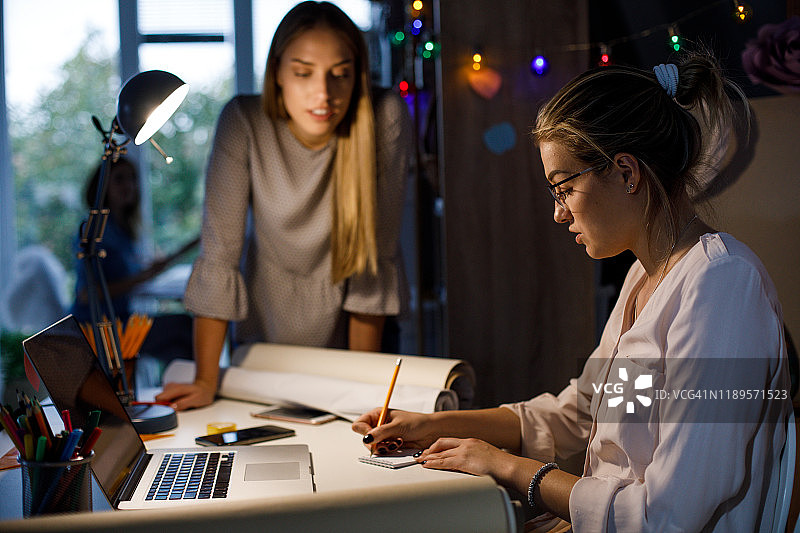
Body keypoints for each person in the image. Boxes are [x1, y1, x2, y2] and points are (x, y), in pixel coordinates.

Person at [353, 51, 791, 531]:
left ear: (626, 172)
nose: (559, 213)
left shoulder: (721, 285)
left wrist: (506, 466)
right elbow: (578, 414)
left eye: (563, 188)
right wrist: (430, 424)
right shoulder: (646, 279)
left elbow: (668, 516)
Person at [156, 1, 411, 411]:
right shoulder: (242, 120)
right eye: (303, 72)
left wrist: (361, 394)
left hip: (354, 342)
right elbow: (219, 256)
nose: (324, 94)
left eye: (340, 75)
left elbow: (372, 262)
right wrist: (205, 380)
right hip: (263, 347)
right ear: (277, 72)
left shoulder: (384, 117)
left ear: (358, 76)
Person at [70, 156, 198, 359]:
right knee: (185, 327)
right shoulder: (95, 230)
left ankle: (182, 388)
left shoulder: (121, 230)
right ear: (102, 185)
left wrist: (148, 273)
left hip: (120, 320)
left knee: (179, 347)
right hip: (99, 330)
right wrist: (142, 277)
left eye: (132, 179)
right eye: (119, 179)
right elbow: (87, 294)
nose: (128, 185)